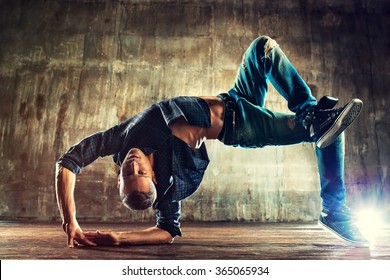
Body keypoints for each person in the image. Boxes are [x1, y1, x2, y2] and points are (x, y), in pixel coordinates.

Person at [55, 35, 368, 248]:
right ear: (153, 173)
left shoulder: (118, 138)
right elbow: (167, 231)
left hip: (234, 98)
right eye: (140, 174)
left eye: (127, 174)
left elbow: (68, 164)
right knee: (328, 125)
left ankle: (311, 113)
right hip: (241, 125)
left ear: (117, 176)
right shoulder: (168, 180)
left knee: (263, 48)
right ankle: (335, 211)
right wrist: (120, 239)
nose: (132, 167)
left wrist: (71, 224)